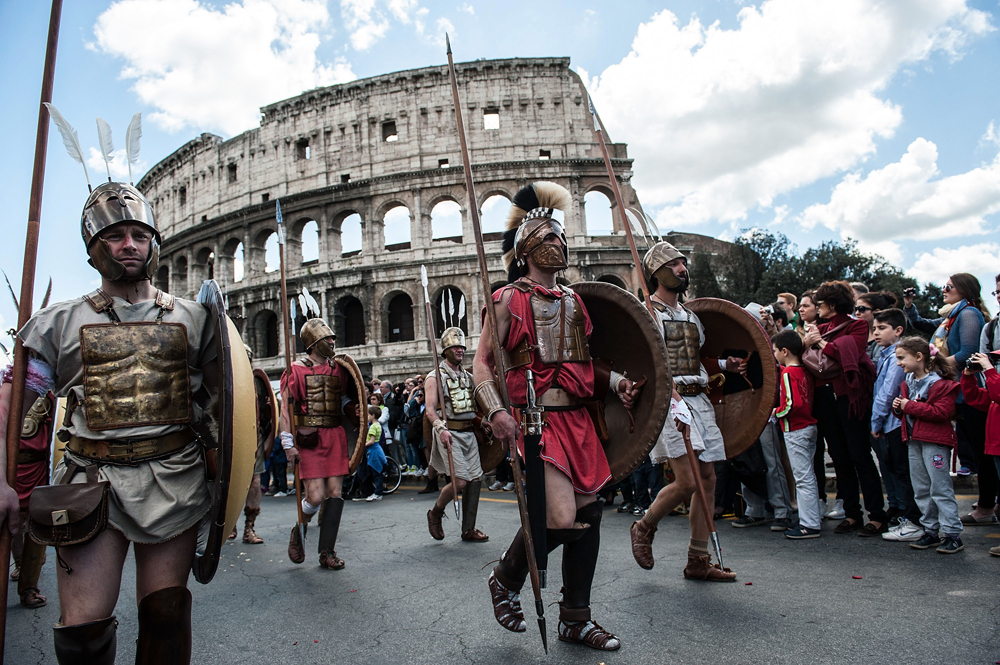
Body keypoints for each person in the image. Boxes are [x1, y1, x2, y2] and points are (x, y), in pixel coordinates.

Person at [0, 181, 216, 663]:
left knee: (166, 617)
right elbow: (9, 415)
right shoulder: (58, 323)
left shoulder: (197, 319)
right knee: (83, 630)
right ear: (94, 250)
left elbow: (232, 405)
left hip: (175, 480)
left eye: (139, 235)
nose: (129, 245)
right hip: (91, 483)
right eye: (116, 236)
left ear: (154, 244)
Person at [474, 181, 638, 651]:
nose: (560, 244)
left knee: (590, 511)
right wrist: (496, 411)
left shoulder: (574, 301)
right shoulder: (508, 299)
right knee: (563, 514)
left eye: (561, 237)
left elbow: (584, 365)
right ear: (526, 248)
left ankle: (576, 618)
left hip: (578, 422)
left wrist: (617, 383)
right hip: (535, 422)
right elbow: (483, 362)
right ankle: (505, 578)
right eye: (549, 237)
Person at [629, 241, 741, 580]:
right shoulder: (649, 312)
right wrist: (672, 397)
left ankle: (697, 559)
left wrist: (724, 364)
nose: (682, 269)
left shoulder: (690, 314)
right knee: (688, 480)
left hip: (700, 400)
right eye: (675, 264)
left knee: (707, 479)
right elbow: (650, 361)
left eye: (683, 263)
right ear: (658, 272)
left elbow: (694, 358)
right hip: (671, 401)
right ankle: (644, 527)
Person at [904, 274, 993, 523]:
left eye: (948, 287)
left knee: (981, 451)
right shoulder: (951, 316)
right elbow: (922, 324)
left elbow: (968, 352)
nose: (944, 290)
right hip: (958, 393)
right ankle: (989, 501)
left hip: (969, 392)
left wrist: (937, 367)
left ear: (963, 290)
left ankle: (986, 508)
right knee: (976, 450)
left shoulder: (968, 314)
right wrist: (909, 307)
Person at [802, 281, 885, 536]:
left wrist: (822, 344)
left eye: (820, 303)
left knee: (859, 455)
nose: (817, 307)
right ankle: (852, 513)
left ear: (832, 305)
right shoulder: (819, 328)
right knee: (839, 456)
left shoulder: (857, 325)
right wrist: (809, 342)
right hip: (825, 398)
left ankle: (877, 515)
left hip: (848, 397)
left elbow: (853, 352)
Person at [280, 318, 362, 571]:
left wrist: (356, 411)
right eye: (327, 339)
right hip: (310, 439)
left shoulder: (339, 368)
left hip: (335, 435)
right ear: (313, 344)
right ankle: (299, 529)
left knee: (334, 495)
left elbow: (346, 397)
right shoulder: (295, 370)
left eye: (332, 338)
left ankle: (327, 552)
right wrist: (288, 444)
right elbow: (286, 410)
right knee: (315, 497)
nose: (332, 342)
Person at [892, 337, 963, 553]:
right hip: (915, 441)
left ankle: (952, 534)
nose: (899, 363)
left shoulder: (941, 384)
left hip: (935, 442)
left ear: (919, 357)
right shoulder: (908, 382)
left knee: (940, 488)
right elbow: (910, 411)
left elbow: (941, 413)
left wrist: (908, 406)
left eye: (902, 358)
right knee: (921, 488)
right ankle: (930, 530)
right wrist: (899, 408)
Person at [425, 327, 489, 542]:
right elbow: (430, 410)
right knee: (460, 481)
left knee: (475, 480)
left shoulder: (469, 377)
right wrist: (441, 429)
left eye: (462, 346)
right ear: (445, 350)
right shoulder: (434, 377)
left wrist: (484, 421)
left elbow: (474, 406)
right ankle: (435, 512)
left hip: (469, 433)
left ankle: (468, 529)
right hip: (449, 433)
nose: (460, 350)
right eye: (455, 347)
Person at [870, 309, 923, 542]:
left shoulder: (895, 358)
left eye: (882, 328)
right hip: (889, 422)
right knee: (896, 470)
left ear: (898, 330)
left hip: (892, 423)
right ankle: (907, 517)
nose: (876, 332)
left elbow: (887, 393)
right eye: (874, 328)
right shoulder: (886, 355)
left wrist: (876, 421)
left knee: (904, 474)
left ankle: (914, 521)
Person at [5, 389, 55, 608]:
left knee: (35, 522)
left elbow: (53, 434)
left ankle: (28, 587)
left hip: (37, 467)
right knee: (11, 522)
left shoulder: (48, 395)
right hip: (8, 467)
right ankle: (18, 563)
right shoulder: (5, 390)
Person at [770, 330, 821, 539]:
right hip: (808, 427)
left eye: (775, 351)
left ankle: (809, 523)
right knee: (808, 476)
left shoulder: (788, 374)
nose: (774, 354)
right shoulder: (804, 370)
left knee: (803, 478)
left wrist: (777, 412)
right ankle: (812, 518)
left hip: (796, 429)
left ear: (784, 351)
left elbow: (793, 403)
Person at [960, 351, 1000, 556]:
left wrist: (990, 369)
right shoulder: (994, 385)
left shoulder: (996, 382)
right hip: (995, 446)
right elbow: (976, 398)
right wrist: (968, 376)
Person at [363, 404, 386, 501]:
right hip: (378, 448)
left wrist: (364, 445)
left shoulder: (372, 427)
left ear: (372, 415)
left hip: (373, 450)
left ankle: (378, 492)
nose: (367, 417)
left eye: (368, 415)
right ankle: (378, 491)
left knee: (376, 472)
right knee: (378, 471)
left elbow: (371, 441)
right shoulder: (378, 425)